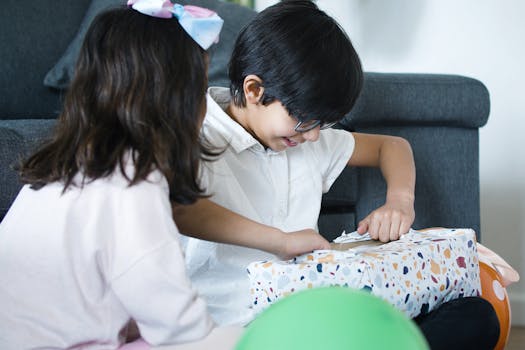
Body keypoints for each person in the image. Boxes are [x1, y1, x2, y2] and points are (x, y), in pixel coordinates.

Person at [0, 2, 327, 349]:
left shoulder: (69, 168)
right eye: (199, 88)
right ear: (176, 103)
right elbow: (180, 328)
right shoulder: (133, 189)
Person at [174, 1, 500, 349]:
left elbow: (391, 147)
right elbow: (181, 208)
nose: (314, 135)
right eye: (305, 120)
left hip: (322, 311)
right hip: (238, 326)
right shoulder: (194, 129)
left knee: (475, 315)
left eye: (323, 124)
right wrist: (279, 241)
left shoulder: (309, 141)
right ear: (254, 90)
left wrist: (399, 202)